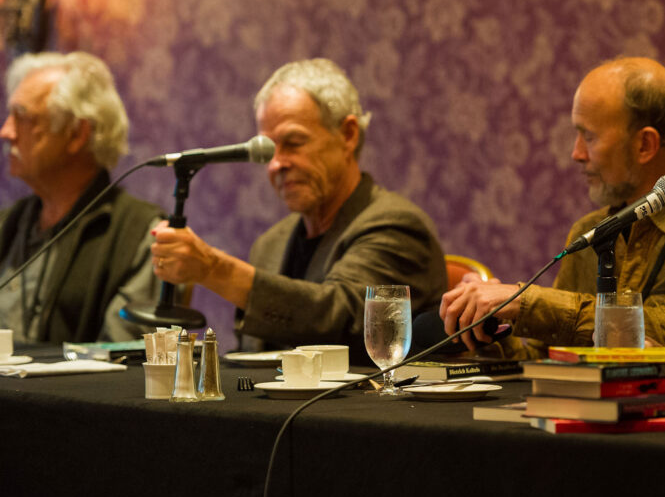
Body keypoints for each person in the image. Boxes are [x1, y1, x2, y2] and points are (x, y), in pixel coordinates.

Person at [439, 57, 665, 376]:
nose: (576, 153)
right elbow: (542, 359)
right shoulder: (590, 232)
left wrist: (527, 303)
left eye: (588, 136)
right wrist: (488, 324)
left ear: (645, 145)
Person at [150, 59, 447, 357]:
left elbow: (342, 320)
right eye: (268, 149)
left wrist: (213, 268)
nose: (277, 163)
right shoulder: (270, 245)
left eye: (294, 142)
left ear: (348, 135)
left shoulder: (397, 226)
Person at [0, 52, 162, 343]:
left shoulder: (141, 235)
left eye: (22, 117)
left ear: (76, 134)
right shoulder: (7, 224)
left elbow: (121, 361)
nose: (6, 132)